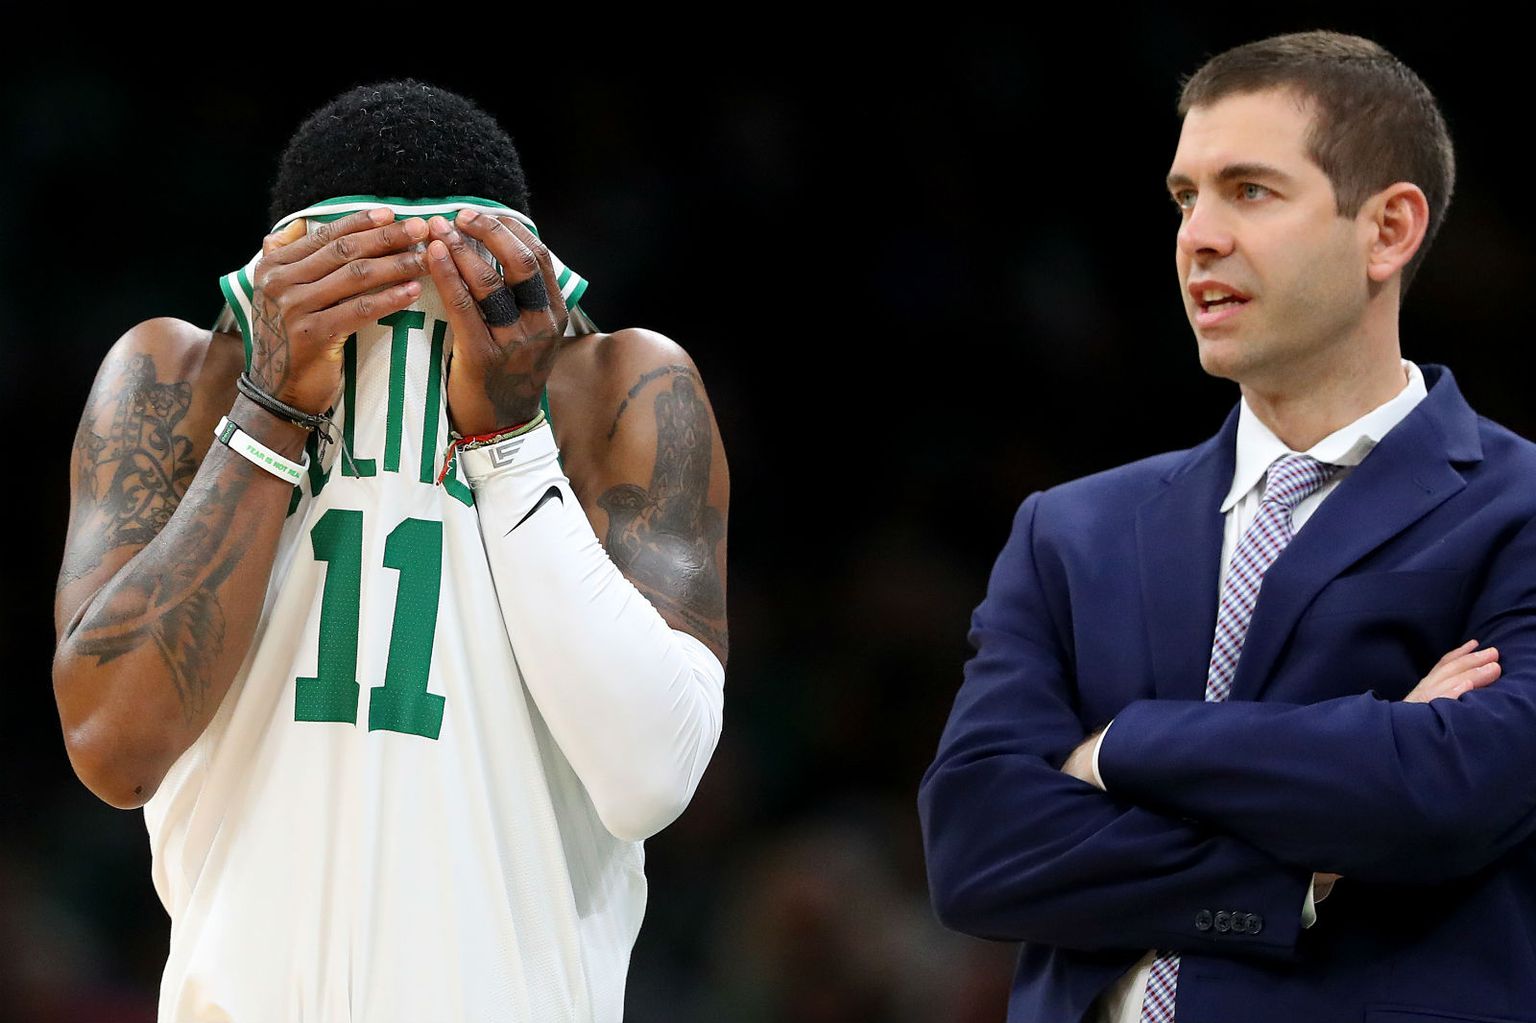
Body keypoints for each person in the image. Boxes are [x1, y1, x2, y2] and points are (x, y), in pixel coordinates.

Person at [52, 80, 729, 1022]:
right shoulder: (176, 373)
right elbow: (113, 747)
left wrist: (510, 441)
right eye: (354, 284)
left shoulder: (618, 383)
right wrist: (269, 409)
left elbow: (652, 772)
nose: (402, 330)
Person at [919, 30, 1536, 1023]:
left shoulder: (1518, 507)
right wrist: (1302, 868)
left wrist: (1123, 745)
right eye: (1185, 197)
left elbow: (1451, 794)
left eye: (1249, 191)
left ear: (1388, 229)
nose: (1198, 236)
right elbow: (977, 850)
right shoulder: (1068, 530)